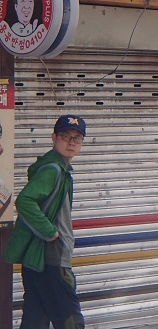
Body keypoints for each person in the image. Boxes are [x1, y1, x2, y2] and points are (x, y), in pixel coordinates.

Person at [2, 115, 87, 329]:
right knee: (70, 320)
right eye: (66, 136)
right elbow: (25, 200)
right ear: (54, 137)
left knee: (35, 319)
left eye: (77, 138)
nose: (71, 142)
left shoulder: (57, 169)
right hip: (52, 259)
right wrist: (50, 232)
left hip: (36, 260)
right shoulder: (53, 169)